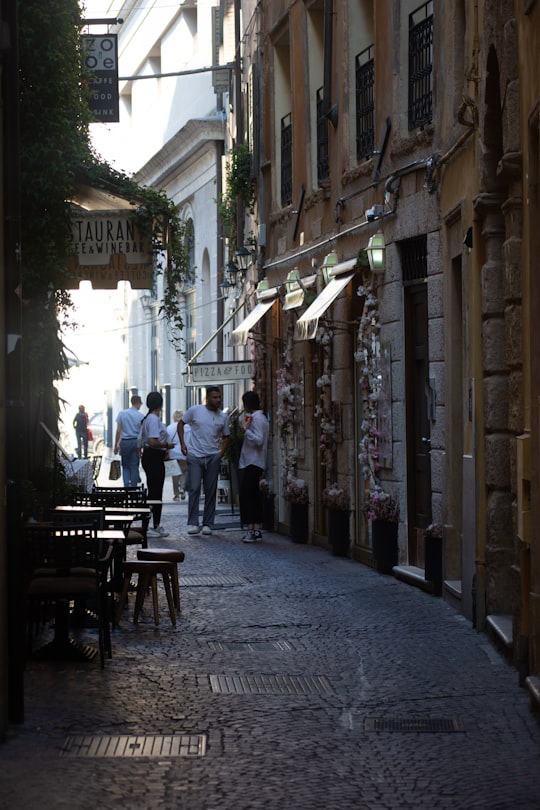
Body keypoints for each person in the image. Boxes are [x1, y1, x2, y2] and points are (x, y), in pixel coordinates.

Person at [178, 386, 230, 535]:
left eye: (219, 397)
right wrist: (183, 444)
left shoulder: (223, 417)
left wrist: (221, 452)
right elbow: (181, 424)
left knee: (210, 490)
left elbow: (227, 436)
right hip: (195, 455)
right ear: (207, 398)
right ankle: (193, 522)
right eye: (215, 397)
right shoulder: (195, 410)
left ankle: (208, 523)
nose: (218, 400)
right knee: (194, 488)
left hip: (213, 455)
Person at [140, 391, 175, 537]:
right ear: (160, 404)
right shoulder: (153, 419)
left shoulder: (148, 418)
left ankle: (153, 524)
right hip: (153, 456)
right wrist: (166, 445)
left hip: (152, 456)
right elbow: (153, 441)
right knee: (155, 492)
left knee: (154, 491)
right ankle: (152, 525)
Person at [238, 391, 269, 543]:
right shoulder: (260, 417)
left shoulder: (257, 419)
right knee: (254, 497)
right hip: (253, 461)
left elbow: (259, 440)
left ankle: (251, 530)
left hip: (252, 461)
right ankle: (256, 529)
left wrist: (246, 431)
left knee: (248, 497)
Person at [114, 394, 144, 486]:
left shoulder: (122, 414)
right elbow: (142, 433)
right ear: (138, 403)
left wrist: (116, 445)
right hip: (136, 442)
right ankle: (133, 487)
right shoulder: (141, 416)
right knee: (134, 466)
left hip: (125, 442)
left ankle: (127, 485)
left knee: (126, 466)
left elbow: (119, 431)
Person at [167, 409, 188, 501]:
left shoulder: (170, 427)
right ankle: (182, 489)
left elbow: (167, 441)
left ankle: (176, 495)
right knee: (184, 472)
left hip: (173, 453)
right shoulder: (187, 427)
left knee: (175, 474)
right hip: (183, 453)